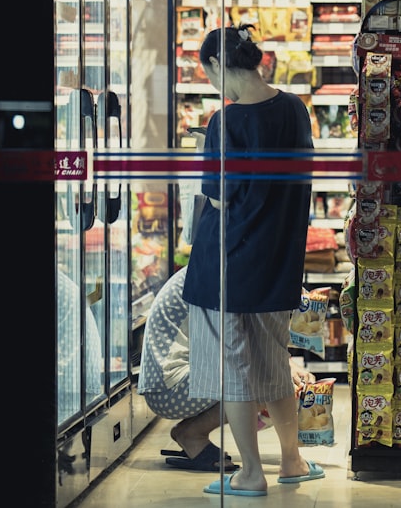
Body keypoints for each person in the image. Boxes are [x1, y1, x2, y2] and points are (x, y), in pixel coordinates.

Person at [181, 24, 322, 496]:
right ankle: (292, 460)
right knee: (273, 362)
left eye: (209, 75)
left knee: (232, 369)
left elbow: (219, 198)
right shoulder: (296, 109)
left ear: (219, 65)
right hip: (277, 261)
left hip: (227, 264)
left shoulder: (227, 122)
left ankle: (249, 473)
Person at [137, 267, 316, 472]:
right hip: (168, 388)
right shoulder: (228, 273)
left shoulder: (228, 263)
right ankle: (193, 434)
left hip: (171, 380)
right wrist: (284, 365)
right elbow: (240, 343)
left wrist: (287, 363)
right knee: (264, 378)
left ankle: (192, 432)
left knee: (269, 376)